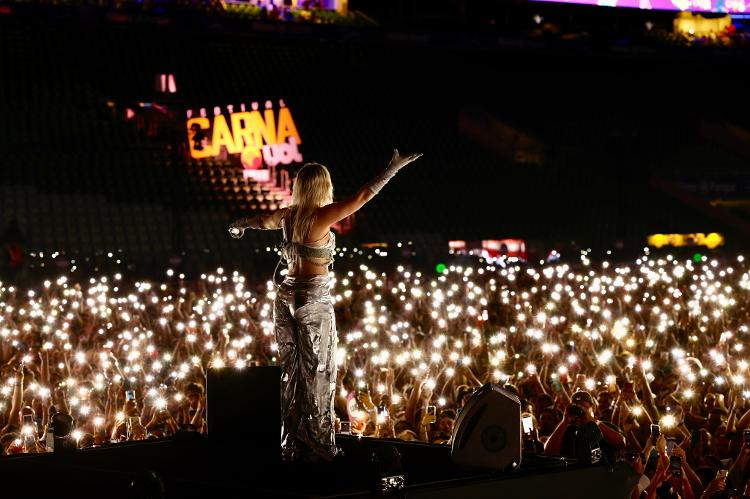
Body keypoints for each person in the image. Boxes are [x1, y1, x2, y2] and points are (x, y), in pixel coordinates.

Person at [228, 149, 423, 461]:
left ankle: (291, 443)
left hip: (284, 298)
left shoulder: (287, 215)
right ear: (323, 187)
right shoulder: (321, 216)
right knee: (319, 372)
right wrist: (392, 170)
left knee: (291, 375)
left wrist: (241, 224)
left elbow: (262, 221)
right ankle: (321, 446)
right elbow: (361, 197)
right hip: (312, 300)